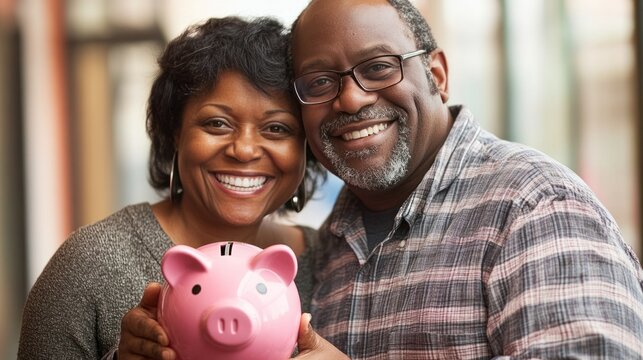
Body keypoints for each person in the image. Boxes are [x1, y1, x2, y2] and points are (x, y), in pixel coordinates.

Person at [288, 0, 643, 358]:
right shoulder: (328, 245)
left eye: (379, 67)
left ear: (437, 75)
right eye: (319, 82)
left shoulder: (537, 206)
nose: (350, 99)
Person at [18, 16, 325, 359]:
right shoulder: (89, 263)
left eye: (277, 129)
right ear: (175, 132)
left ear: (306, 145)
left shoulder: (329, 260)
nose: (244, 150)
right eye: (217, 123)